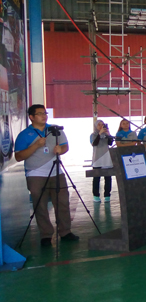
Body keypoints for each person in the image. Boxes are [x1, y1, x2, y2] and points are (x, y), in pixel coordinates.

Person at [15, 104, 79, 246]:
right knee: (40, 205)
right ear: (31, 117)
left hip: (57, 171)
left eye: (45, 113)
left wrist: (60, 149)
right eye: (39, 114)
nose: (44, 116)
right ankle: (45, 234)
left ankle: (65, 231)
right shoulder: (24, 134)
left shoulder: (55, 130)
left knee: (62, 201)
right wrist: (36, 146)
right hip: (35, 173)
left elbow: (65, 146)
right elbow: (18, 157)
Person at [90, 119, 114, 203]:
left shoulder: (106, 135)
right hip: (97, 158)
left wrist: (108, 134)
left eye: (102, 124)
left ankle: (107, 194)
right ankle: (96, 195)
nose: (101, 126)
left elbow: (110, 143)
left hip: (106, 158)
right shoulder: (93, 135)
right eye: (99, 125)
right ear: (96, 126)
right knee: (96, 177)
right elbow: (94, 143)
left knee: (108, 177)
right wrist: (99, 134)